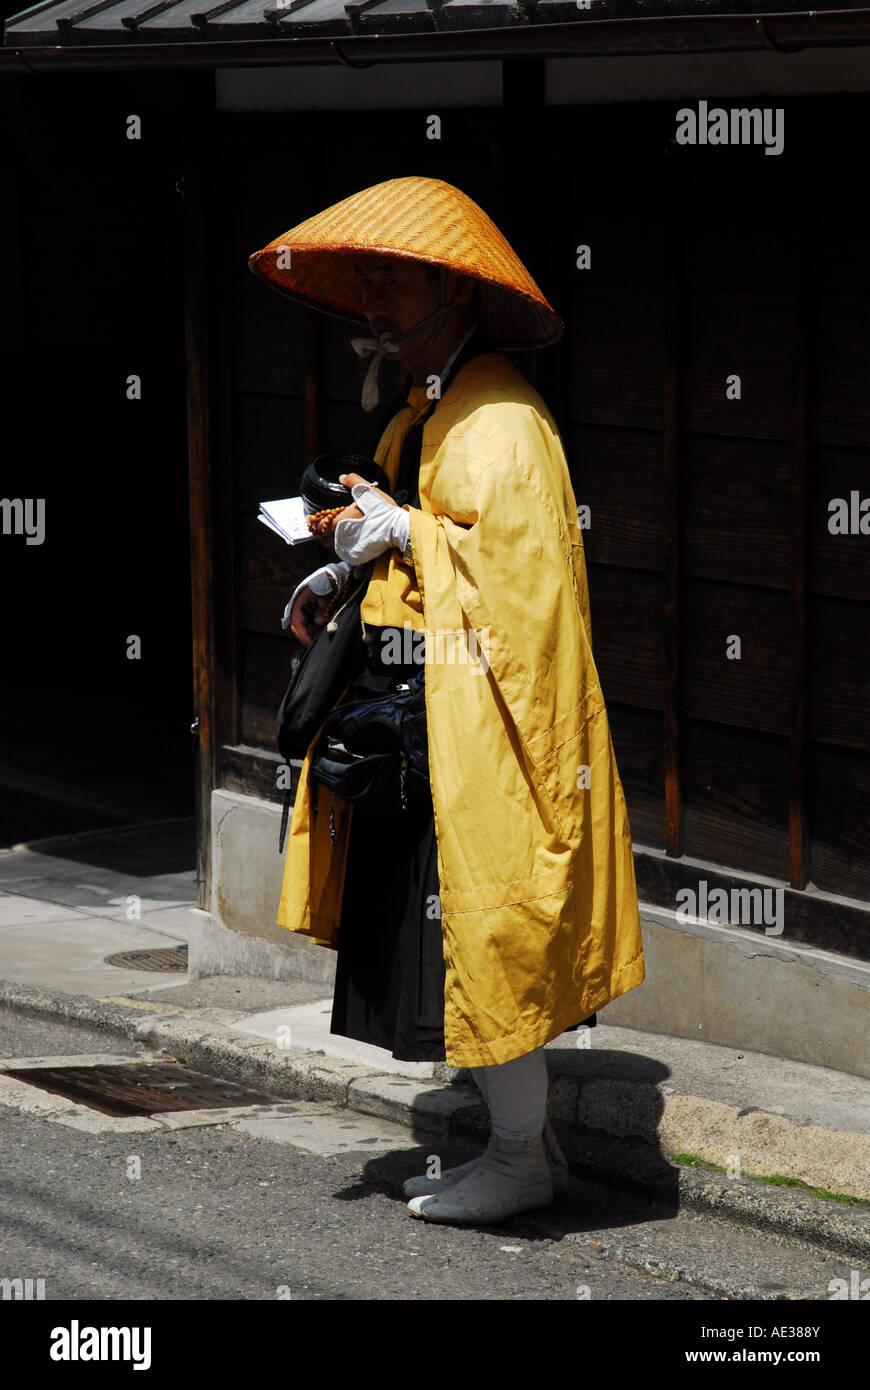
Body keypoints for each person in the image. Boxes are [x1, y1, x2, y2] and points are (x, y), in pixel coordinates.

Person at [249, 177, 645, 1226]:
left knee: (482, 926)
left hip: (482, 722)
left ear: (455, 293)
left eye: (394, 276)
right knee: (437, 933)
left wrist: (407, 535)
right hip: (423, 710)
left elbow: (520, 586)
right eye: (368, 277)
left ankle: (519, 1156)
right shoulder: (428, 409)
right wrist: (344, 564)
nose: (374, 298)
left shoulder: (504, 417)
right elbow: (424, 540)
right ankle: (517, 1144)